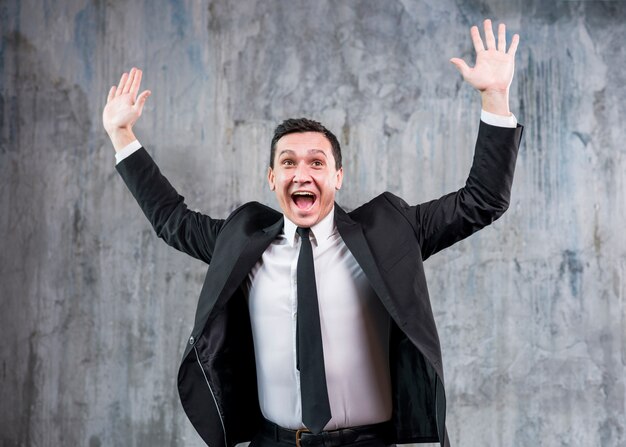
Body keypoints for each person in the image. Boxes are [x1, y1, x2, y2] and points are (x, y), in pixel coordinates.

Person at [103, 19, 523, 447]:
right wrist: (122, 135)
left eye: (317, 163)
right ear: (271, 177)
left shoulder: (391, 233)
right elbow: (172, 220)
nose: (302, 174)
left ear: (337, 176)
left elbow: (482, 200)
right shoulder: (243, 243)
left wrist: (495, 98)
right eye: (288, 163)